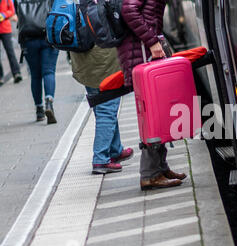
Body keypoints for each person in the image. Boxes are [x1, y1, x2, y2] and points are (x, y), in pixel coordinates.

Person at [119, 0, 186, 189]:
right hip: (141, 51)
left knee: (159, 111)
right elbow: (129, 10)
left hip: (144, 49)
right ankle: (150, 174)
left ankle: (161, 167)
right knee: (152, 115)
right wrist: (152, 41)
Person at [71, 46, 134, 174]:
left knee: (102, 106)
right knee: (106, 109)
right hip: (103, 60)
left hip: (82, 58)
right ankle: (101, 159)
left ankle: (115, 150)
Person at [14, 0, 58, 124]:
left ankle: (39, 110)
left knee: (35, 75)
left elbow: (17, 10)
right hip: (47, 36)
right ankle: (49, 103)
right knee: (48, 72)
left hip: (28, 37)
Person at [0, 0, 22, 86]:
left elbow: (12, 11)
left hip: (5, 29)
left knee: (10, 51)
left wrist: (4, 15)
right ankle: (0, 77)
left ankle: (16, 73)